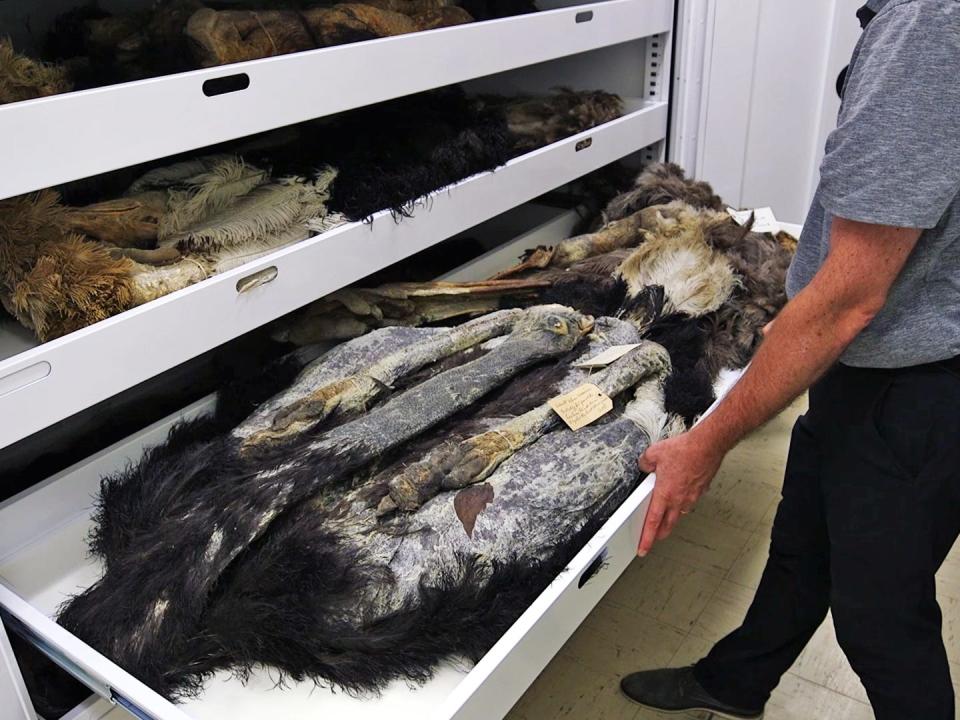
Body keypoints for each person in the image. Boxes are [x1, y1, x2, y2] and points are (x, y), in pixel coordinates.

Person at [619, 1, 960, 718]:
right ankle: (734, 682)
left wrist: (704, 443)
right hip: (880, 362)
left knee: (880, 623)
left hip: (918, 383)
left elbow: (847, 303)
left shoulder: (933, 24)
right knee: (804, 542)